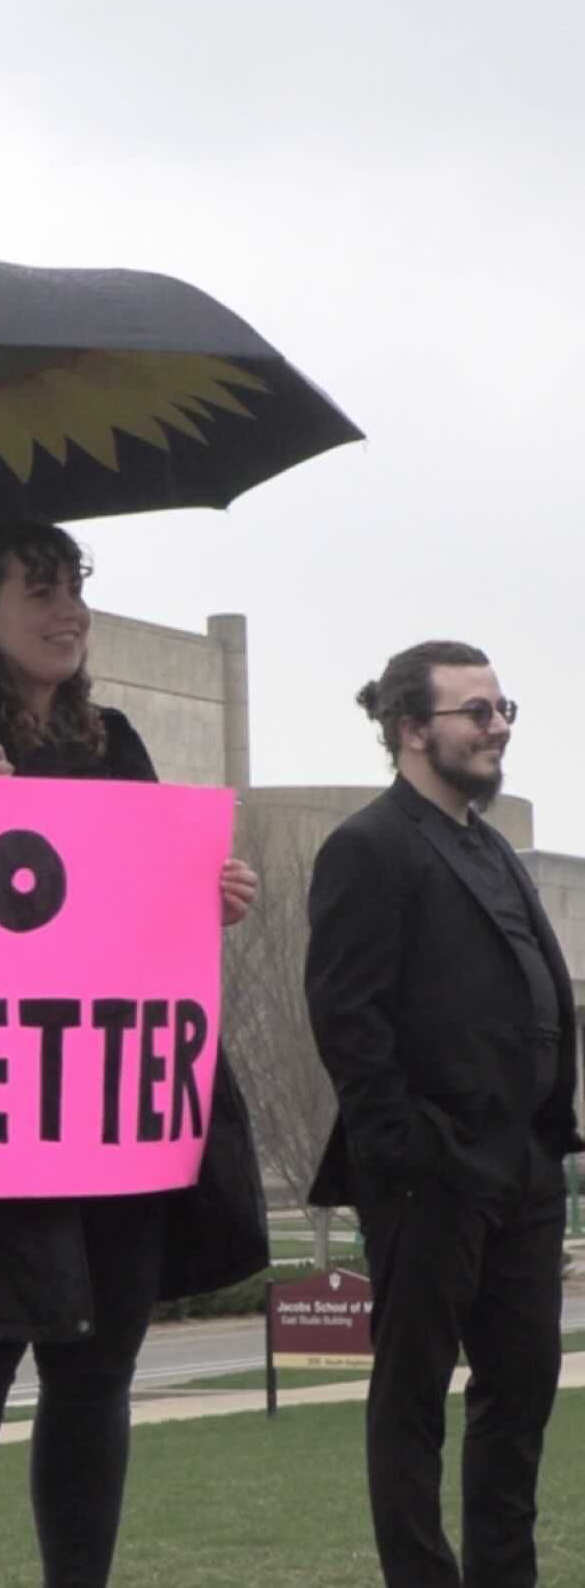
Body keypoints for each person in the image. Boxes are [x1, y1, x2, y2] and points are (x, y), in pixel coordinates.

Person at [0, 520, 267, 1588]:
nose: (68, 608)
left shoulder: (111, 740)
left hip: (111, 1123)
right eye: (39, 590)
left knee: (96, 1377)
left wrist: (202, 899)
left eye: (75, 584)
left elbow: (132, 918)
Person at [304, 641, 579, 1588]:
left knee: (521, 1396)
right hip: (433, 1171)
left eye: (504, 709)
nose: (498, 727)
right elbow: (348, 1020)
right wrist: (410, 1150)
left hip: (529, 1170)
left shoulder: (490, 845)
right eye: (476, 712)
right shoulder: (369, 847)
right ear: (411, 729)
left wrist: (549, 1137)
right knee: (412, 1402)